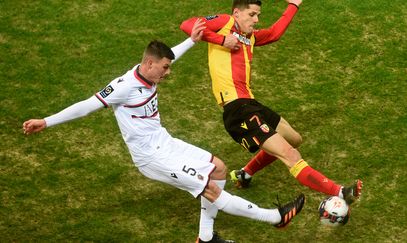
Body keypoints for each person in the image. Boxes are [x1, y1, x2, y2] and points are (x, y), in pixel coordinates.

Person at [22, 20, 305, 243]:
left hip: (165, 142)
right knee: (208, 189)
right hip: (150, 157)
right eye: (165, 69)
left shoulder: (150, 70)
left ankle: (206, 238)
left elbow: (173, 57)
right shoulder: (123, 87)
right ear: (149, 64)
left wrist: (192, 41)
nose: (168, 73)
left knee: (218, 168)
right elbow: (86, 106)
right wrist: (46, 121)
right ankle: (274, 218)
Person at [180, 0, 362, 204]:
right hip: (237, 109)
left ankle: (245, 174)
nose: (256, 20)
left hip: (250, 103)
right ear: (237, 13)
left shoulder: (250, 37)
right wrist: (222, 41)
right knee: (290, 154)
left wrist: (293, 5)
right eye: (251, 14)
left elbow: (274, 34)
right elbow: (188, 25)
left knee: (294, 139)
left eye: (258, 15)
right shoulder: (225, 22)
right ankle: (341, 192)